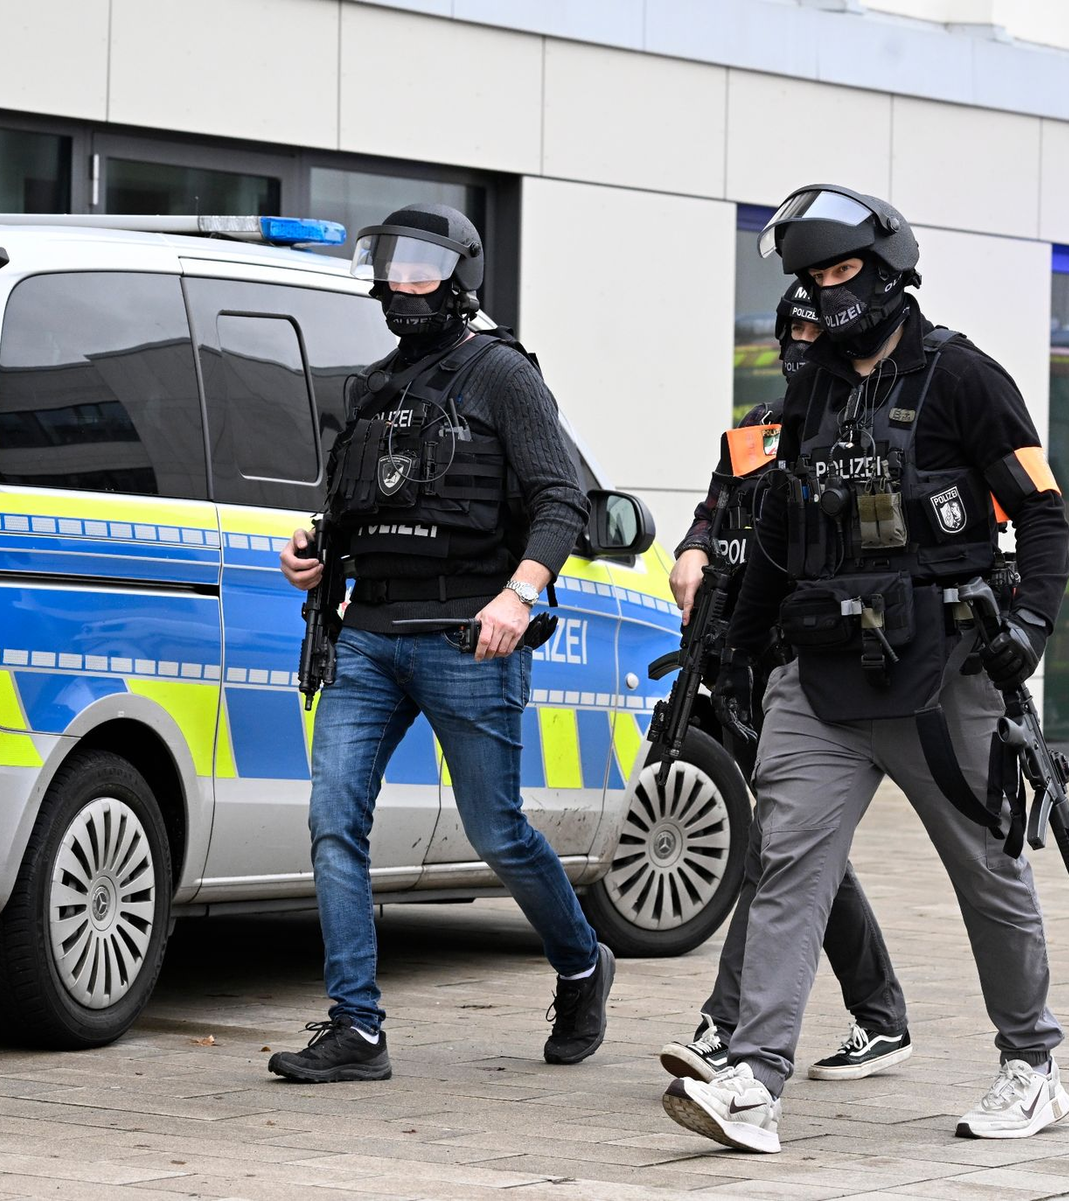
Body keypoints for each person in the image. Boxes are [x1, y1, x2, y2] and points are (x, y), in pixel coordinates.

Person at [662, 184, 1069, 1153]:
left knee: (988, 874)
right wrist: (742, 644)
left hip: (944, 677)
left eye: (843, 271)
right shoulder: (809, 391)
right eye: (814, 277)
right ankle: (754, 1081)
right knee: (790, 863)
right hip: (822, 678)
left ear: (889, 273)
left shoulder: (964, 377)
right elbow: (777, 530)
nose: (828, 293)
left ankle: (1032, 1062)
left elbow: (1045, 511)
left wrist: (1033, 624)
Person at [267, 204, 614, 1084]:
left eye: (420, 270)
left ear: (460, 275)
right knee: (332, 822)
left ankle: (581, 964)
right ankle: (357, 1028)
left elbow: (562, 500)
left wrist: (518, 592)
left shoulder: (503, 375)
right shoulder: (371, 386)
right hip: (369, 636)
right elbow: (356, 506)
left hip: (471, 636)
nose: (400, 284)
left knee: (497, 830)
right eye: (389, 269)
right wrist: (315, 556)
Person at [660, 282, 912, 1087]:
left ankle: (724, 1022)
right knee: (802, 849)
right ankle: (881, 1015)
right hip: (738, 657)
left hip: (808, 664)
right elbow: (717, 506)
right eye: (794, 326)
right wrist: (694, 548)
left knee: (778, 847)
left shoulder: (855, 427)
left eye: (816, 324)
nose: (804, 338)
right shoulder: (755, 429)